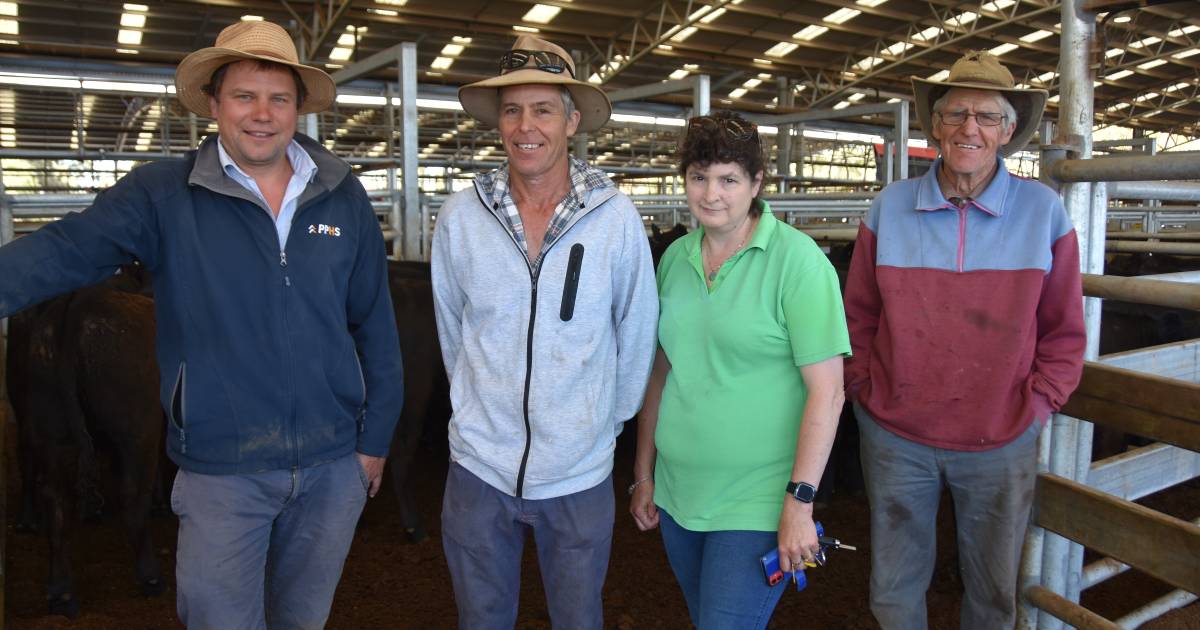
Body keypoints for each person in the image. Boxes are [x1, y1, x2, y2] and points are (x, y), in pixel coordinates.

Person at [0, 21, 404, 628]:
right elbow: (65, 249)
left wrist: (375, 440)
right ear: (214, 104)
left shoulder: (342, 197)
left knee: (303, 619)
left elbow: (375, 322)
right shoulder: (164, 194)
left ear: (298, 108)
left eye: (279, 98)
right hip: (222, 469)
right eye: (245, 96)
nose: (262, 114)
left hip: (332, 466)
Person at [843, 50, 1086, 629]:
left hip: (1002, 438)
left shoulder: (1043, 212)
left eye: (984, 116)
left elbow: (1064, 328)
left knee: (993, 589)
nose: (968, 128)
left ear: (1007, 131)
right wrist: (865, 392)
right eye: (955, 115)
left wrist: (1038, 403)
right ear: (936, 126)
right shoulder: (890, 207)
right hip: (898, 435)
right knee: (894, 584)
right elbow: (856, 316)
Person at [431, 35, 658, 629]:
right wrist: (476, 413)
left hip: (579, 473)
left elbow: (636, 334)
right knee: (481, 618)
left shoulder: (615, 218)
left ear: (572, 120)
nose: (525, 126)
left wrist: (598, 426)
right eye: (511, 110)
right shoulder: (462, 216)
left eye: (542, 109)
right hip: (479, 468)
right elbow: (453, 332)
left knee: (579, 619)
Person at [628, 110, 850, 630]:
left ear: (756, 183)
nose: (711, 194)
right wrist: (644, 474)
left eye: (728, 179)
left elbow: (829, 393)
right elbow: (662, 372)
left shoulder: (798, 264)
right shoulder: (674, 260)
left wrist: (800, 503)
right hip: (680, 495)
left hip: (758, 500)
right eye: (699, 177)